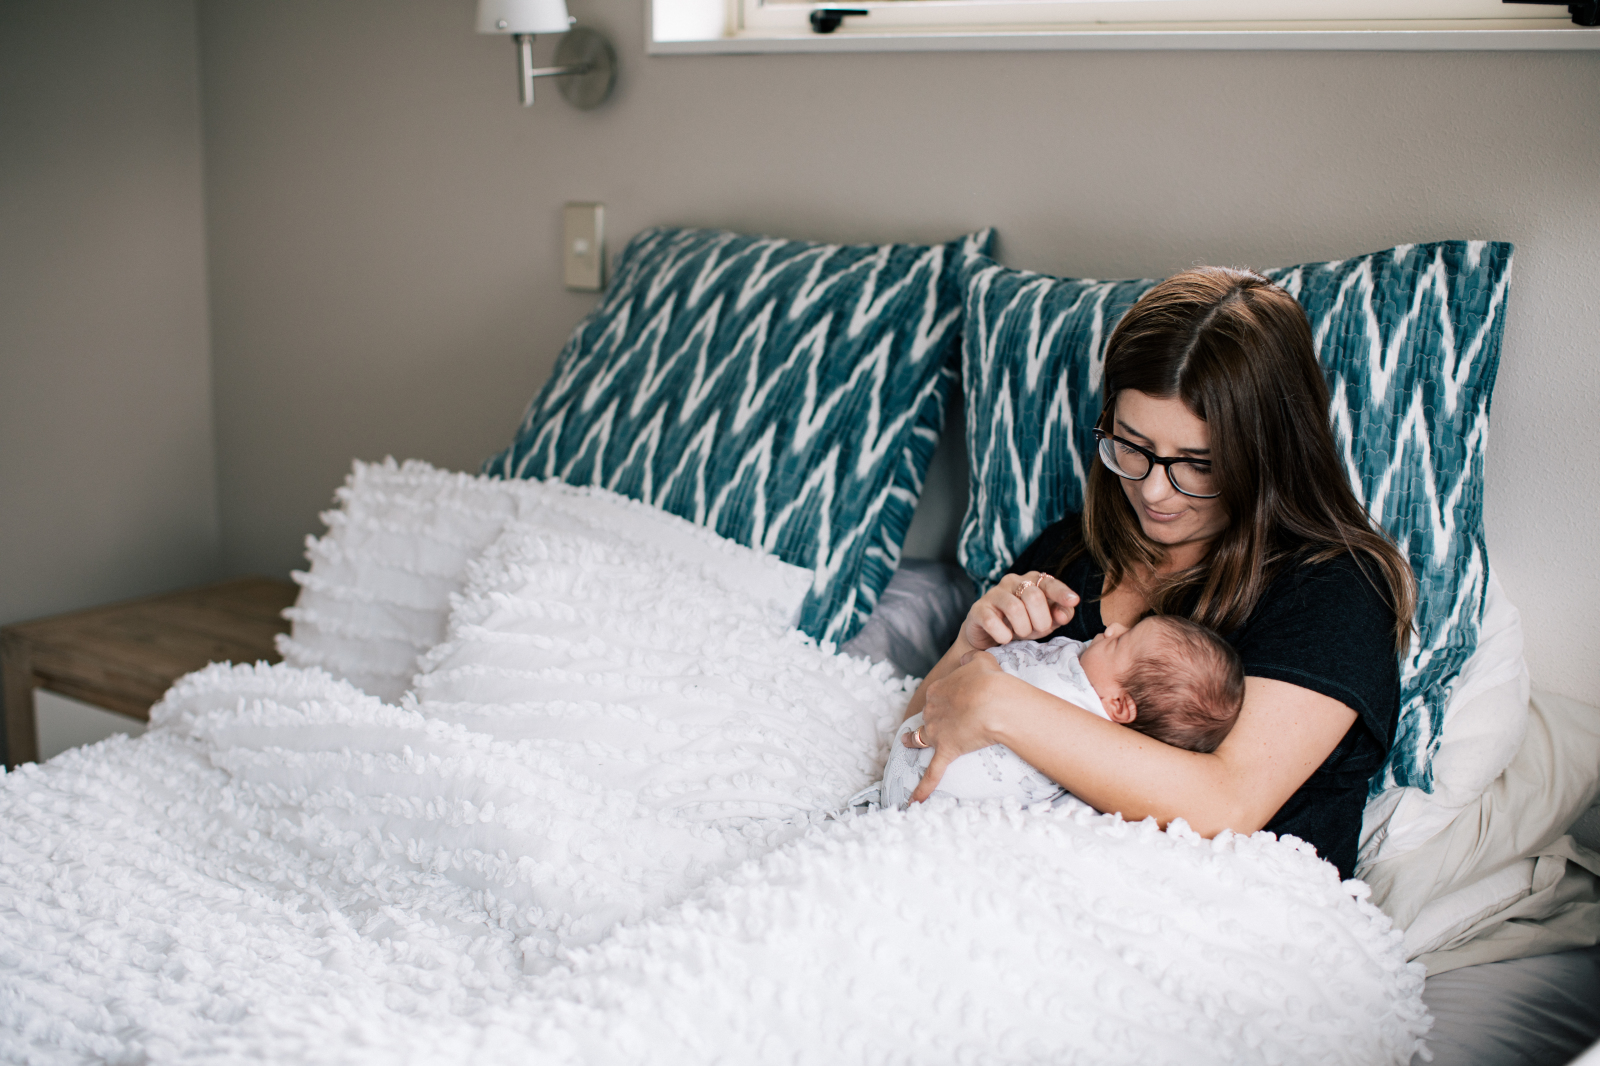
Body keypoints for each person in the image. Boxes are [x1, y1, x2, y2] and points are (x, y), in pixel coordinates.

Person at [902, 266, 1416, 880]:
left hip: (1222, 906)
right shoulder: (1073, 549)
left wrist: (1002, 703)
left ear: (1268, 457)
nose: (1153, 492)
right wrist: (971, 644)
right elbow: (920, 736)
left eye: (1199, 464)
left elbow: (1227, 803)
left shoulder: (1332, 590)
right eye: (1132, 445)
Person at [881, 616, 1244, 809]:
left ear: (1118, 705)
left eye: (1120, 640)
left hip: (937, 802)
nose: (1112, 628)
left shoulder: (1069, 702)